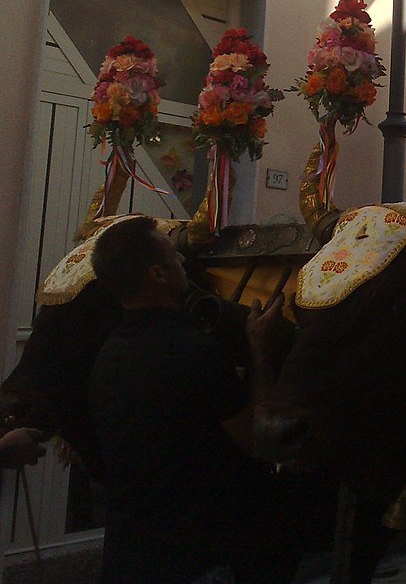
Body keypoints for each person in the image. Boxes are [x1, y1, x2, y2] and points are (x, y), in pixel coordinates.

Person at [86, 216, 288, 584]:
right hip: (192, 559)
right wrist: (259, 348)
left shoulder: (107, 354)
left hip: (126, 555)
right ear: (157, 276)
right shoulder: (194, 351)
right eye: (174, 258)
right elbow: (258, 441)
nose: (182, 263)